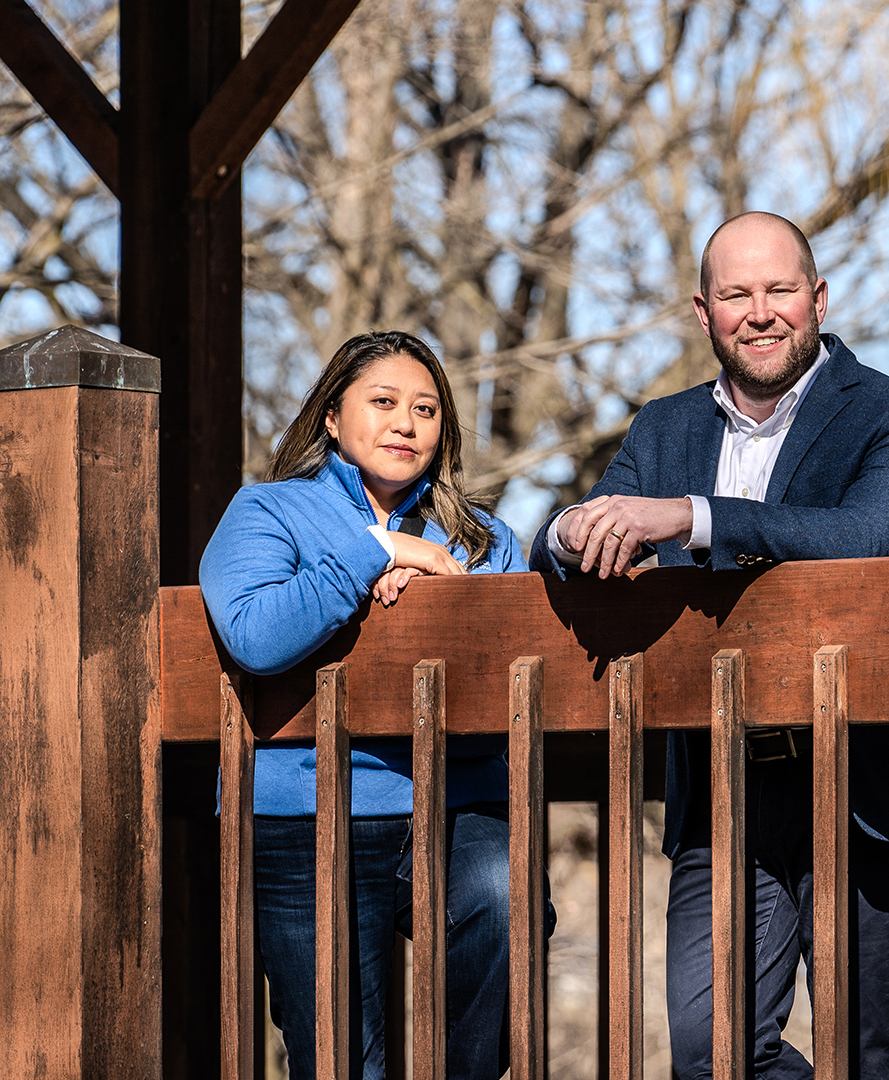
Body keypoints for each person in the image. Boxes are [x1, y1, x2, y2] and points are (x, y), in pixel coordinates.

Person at [529, 211, 889, 1079]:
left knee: (875, 1055)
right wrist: (569, 532)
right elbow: (566, 536)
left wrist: (691, 518)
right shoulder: (662, 430)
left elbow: (867, 535)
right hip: (720, 784)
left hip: (867, 781)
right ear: (703, 313)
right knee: (710, 1056)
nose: (761, 311)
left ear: (817, 299)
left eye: (780, 290)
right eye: (737, 294)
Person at [200, 330, 546, 1079]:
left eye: (426, 409)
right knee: (339, 1058)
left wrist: (443, 595)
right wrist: (375, 554)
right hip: (302, 811)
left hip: (457, 798)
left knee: (507, 901)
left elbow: (519, 660)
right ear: (331, 417)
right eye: (383, 402)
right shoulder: (266, 512)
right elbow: (256, 636)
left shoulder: (484, 538)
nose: (406, 423)